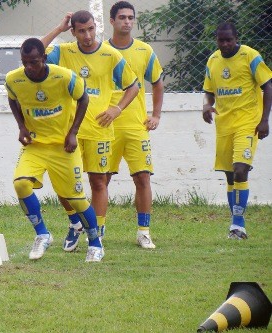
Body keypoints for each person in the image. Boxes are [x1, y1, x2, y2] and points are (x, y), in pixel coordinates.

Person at [41, 10, 139, 252]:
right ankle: (75, 223)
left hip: (99, 129)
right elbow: (34, 55)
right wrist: (58, 29)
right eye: (81, 31)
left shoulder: (110, 55)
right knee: (64, 184)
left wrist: (117, 108)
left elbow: (133, 86)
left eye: (91, 29)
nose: (87, 35)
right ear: (73, 32)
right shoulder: (63, 52)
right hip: (68, 130)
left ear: (96, 28)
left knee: (98, 182)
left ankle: (98, 230)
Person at [5, 37, 104, 262]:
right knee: (21, 184)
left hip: (64, 148)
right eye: (25, 62)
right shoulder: (14, 79)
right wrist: (21, 126)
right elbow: (12, 99)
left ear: (44, 58)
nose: (29, 67)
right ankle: (42, 234)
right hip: (36, 146)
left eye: (34, 62)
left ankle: (95, 244)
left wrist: (73, 132)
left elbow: (84, 99)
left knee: (76, 200)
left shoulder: (64, 77)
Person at [203, 22, 271, 239]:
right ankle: (236, 225)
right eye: (221, 40)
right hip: (224, 125)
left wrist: (264, 120)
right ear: (217, 40)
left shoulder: (250, 56)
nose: (225, 44)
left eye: (229, 40)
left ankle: (238, 224)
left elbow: (268, 86)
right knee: (230, 176)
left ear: (236, 38)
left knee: (241, 169)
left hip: (247, 123)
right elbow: (209, 91)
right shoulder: (213, 60)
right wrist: (206, 105)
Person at [104, 1, 164, 249]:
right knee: (101, 180)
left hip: (136, 126)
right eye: (122, 17)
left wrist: (156, 115)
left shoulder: (144, 50)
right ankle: (97, 231)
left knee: (142, 177)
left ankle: (143, 231)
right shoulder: (100, 51)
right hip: (105, 126)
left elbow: (158, 82)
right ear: (112, 21)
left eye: (130, 17)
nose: (126, 22)